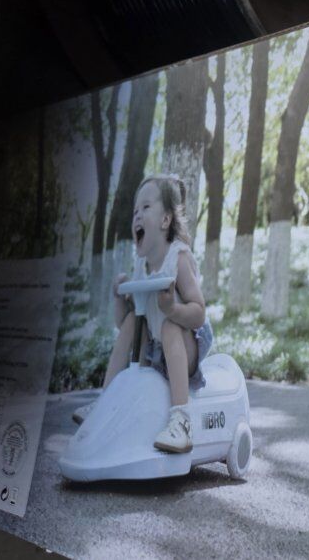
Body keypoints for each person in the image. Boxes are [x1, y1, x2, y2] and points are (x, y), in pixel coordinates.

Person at [72, 175, 213, 454]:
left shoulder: (178, 259)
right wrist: (118, 297)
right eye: (135, 211)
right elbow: (124, 322)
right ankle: (104, 399)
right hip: (156, 351)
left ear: (165, 221)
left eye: (146, 208)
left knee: (171, 326)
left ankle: (181, 420)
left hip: (188, 347)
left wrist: (172, 309)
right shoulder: (141, 265)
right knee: (131, 322)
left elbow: (198, 313)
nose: (137, 215)